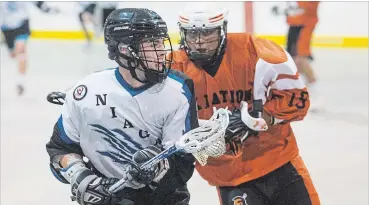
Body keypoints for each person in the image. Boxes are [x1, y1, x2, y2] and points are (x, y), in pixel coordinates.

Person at [170, 3, 320, 205]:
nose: (199, 42)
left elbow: (298, 102)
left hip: (279, 162)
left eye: (207, 33)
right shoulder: (172, 72)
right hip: (230, 177)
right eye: (192, 34)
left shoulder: (257, 53)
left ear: (222, 30)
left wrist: (258, 116)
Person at [46, 8, 198, 205]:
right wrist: (81, 178)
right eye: (152, 43)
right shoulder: (86, 91)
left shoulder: (178, 90)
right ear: (125, 49)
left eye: (161, 42)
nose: (161, 51)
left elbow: (182, 161)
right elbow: (60, 149)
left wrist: (157, 169)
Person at [0, 1, 59, 95]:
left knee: (21, 50)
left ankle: (20, 81)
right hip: (6, 28)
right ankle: (14, 53)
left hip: (22, 24)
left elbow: (38, 3)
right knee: (13, 54)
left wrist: (49, 10)